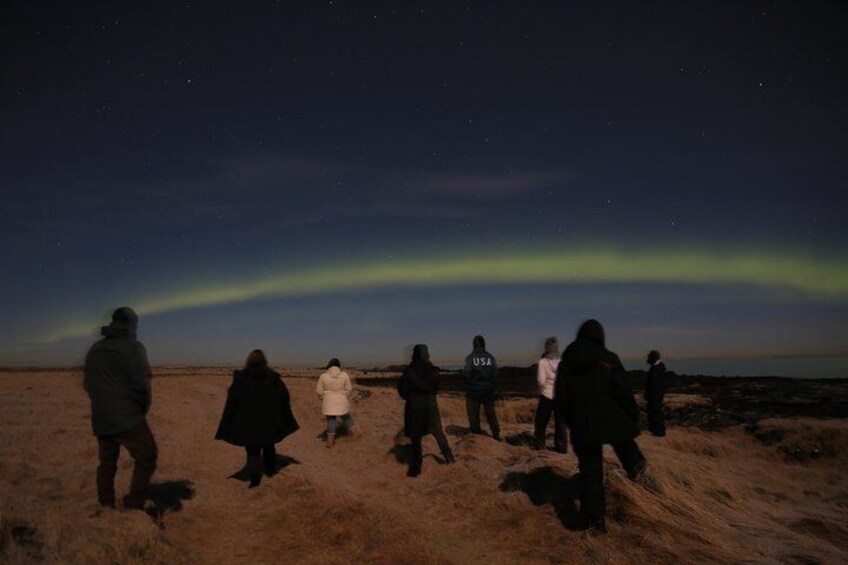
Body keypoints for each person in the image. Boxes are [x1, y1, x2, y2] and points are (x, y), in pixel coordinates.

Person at [555, 319, 647, 532]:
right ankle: (647, 488)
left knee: (590, 473)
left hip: (583, 424)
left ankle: (595, 521)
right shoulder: (608, 358)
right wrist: (633, 416)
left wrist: (573, 421)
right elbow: (623, 391)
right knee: (629, 452)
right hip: (613, 418)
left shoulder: (567, 362)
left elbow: (562, 399)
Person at [84, 306, 157, 510]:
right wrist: (138, 410)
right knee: (147, 456)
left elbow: (88, 384)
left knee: (107, 462)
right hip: (127, 417)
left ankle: (105, 504)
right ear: (131, 325)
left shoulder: (95, 349)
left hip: (101, 417)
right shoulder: (133, 348)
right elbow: (142, 384)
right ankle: (135, 504)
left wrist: (101, 404)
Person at [215, 350, 300, 488]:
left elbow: (232, 401)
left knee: (252, 449)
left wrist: (229, 420)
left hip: (249, 421)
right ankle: (270, 471)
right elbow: (284, 397)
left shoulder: (241, 378)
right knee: (269, 444)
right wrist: (283, 414)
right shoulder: (272, 378)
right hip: (269, 420)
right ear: (264, 361)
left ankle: (255, 478)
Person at [397, 344, 455, 477]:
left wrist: (411, 396)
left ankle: (416, 469)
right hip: (430, 407)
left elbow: (402, 391)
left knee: (416, 439)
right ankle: (450, 459)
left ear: (414, 354)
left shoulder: (409, 371)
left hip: (414, 408)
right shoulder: (433, 370)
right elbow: (436, 387)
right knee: (439, 433)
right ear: (426, 354)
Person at [462, 335, 500, 440]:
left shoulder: (470, 358)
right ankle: (496, 433)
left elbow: (467, 373)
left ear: (474, 345)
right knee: (490, 412)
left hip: (473, 390)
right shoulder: (490, 357)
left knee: (473, 413)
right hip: (488, 389)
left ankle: (476, 433)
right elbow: (495, 373)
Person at [533, 337, 567, 452]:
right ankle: (561, 448)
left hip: (546, 395)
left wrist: (540, 390)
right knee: (561, 423)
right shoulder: (563, 362)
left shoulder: (542, 362)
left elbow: (541, 381)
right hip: (561, 395)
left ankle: (539, 446)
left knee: (541, 423)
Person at [316, 358, 358, 447]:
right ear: (339, 366)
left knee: (331, 419)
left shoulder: (323, 376)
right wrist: (343, 395)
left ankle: (330, 441)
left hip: (328, 401)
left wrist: (324, 397)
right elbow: (349, 389)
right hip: (342, 400)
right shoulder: (344, 375)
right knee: (346, 417)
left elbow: (319, 391)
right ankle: (355, 434)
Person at [645, 350, 667, 437]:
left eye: (649, 357)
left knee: (655, 412)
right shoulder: (658, 367)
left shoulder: (656, 368)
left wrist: (650, 394)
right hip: (656, 394)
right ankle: (655, 431)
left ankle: (659, 432)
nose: (648, 359)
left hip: (655, 395)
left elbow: (654, 383)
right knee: (654, 412)